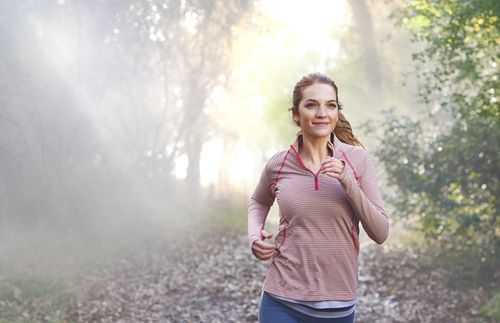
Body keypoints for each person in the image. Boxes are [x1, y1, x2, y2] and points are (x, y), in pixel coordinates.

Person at [248, 72, 390, 322]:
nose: (322, 113)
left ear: (337, 112)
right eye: (311, 105)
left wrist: (348, 181)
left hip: (337, 305)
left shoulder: (357, 160)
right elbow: (258, 201)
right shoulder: (279, 164)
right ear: (295, 114)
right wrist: (254, 234)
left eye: (330, 105)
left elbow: (380, 233)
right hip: (280, 299)